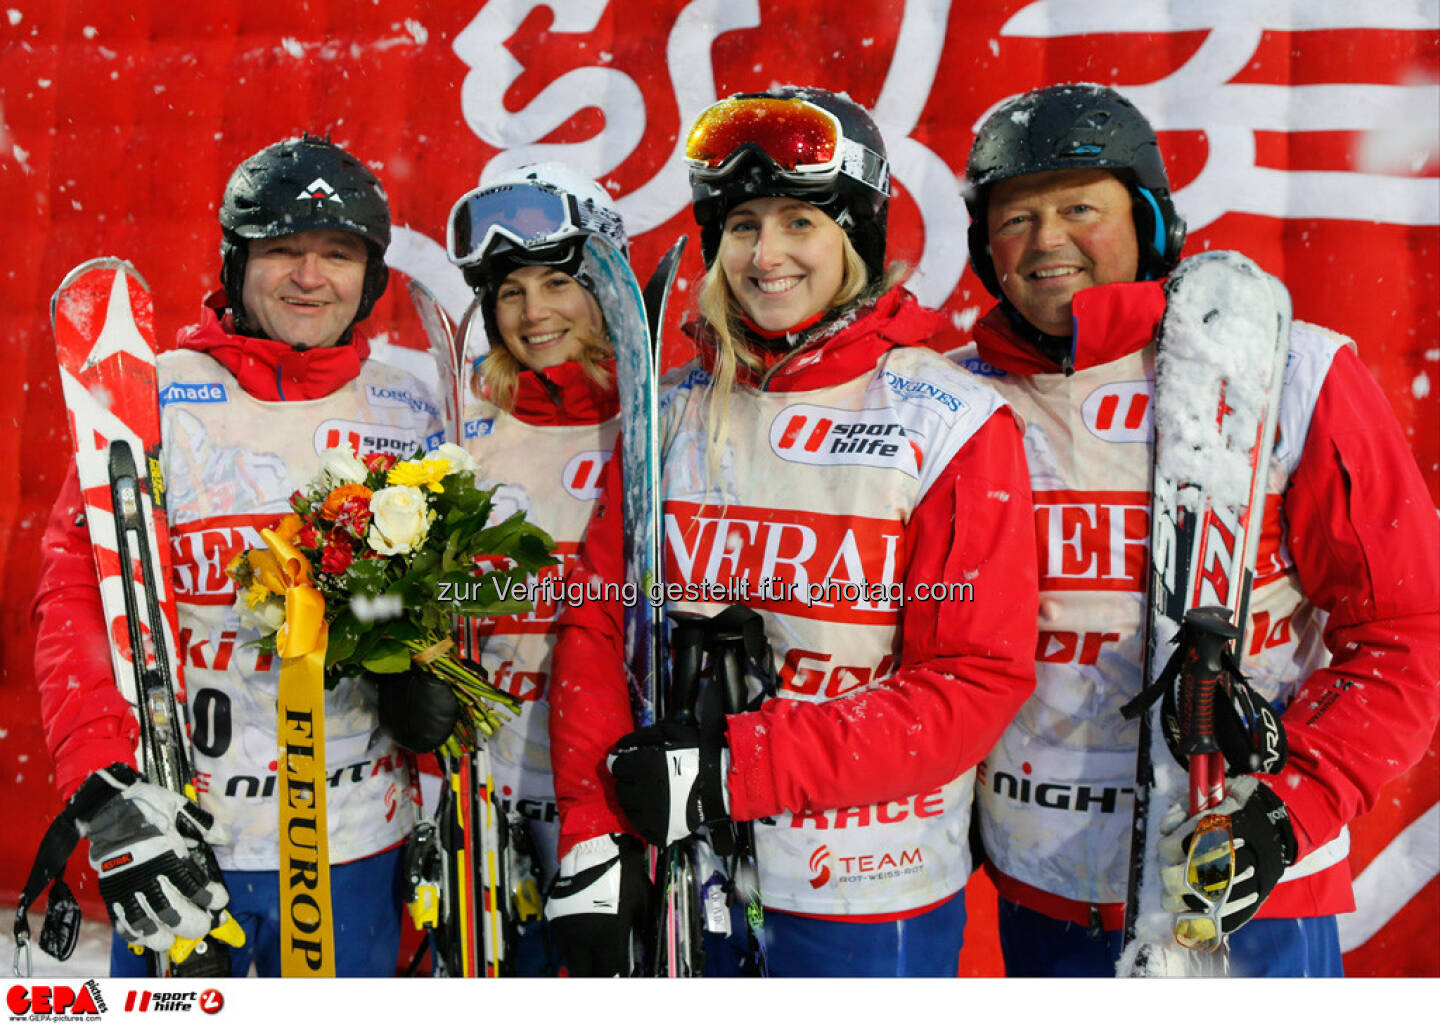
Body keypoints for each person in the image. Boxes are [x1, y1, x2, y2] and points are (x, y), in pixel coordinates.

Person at [545, 86, 1039, 977]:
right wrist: (592, 829)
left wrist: (737, 768)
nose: (765, 254)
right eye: (741, 226)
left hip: (860, 883)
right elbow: (596, 621)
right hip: (678, 869)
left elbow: (972, 684)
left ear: (854, 237)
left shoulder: (948, 420)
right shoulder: (672, 414)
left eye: (799, 221)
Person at [952, 83, 1440, 977]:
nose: (1047, 241)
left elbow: (1409, 631)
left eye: (1080, 208)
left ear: (1145, 219)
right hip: (1043, 887)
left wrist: (1287, 811)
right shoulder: (949, 400)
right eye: (1016, 218)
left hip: (1243, 879)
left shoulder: (1292, 369)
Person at [32, 134, 441, 977]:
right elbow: (77, 600)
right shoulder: (156, 397)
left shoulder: (410, 407)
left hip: (355, 840)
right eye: (281, 250)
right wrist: (111, 794)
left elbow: (446, 607)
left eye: (337, 253)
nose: (308, 276)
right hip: (184, 837)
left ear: (370, 276)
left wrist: (428, 668)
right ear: (235, 263)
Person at [440, 163, 631, 974]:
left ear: (607, 287)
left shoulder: (666, 418)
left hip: (621, 791)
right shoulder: (463, 429)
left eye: (558, 282)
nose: (534, 312)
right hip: (493, 794)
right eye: (510, 292)